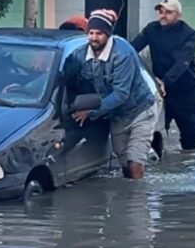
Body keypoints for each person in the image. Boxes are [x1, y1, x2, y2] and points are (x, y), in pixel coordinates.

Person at [66, 10, 158, 179]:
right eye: (91, 33)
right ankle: (127, 198)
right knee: (124, 164)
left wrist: (90, 112)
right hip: (116, 116)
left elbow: (120, 94)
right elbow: (64, 75)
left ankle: (137, 201)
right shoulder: (80, 55)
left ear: (108, 35)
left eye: (99, 33)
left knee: (134, 161)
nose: (94, 38)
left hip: (140, 111)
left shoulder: (122, 54)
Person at [131, 0, 195, 152]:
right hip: (160, 91)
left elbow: (183, 61)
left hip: (185, 92)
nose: (163, 15)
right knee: (154, 134)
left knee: (190, 141)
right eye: (160, 12)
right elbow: (132, 50)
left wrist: (166, 81)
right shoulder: (151, 29)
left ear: (178, 15)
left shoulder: (189, 34)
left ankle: (189, 167)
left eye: (168, 12)